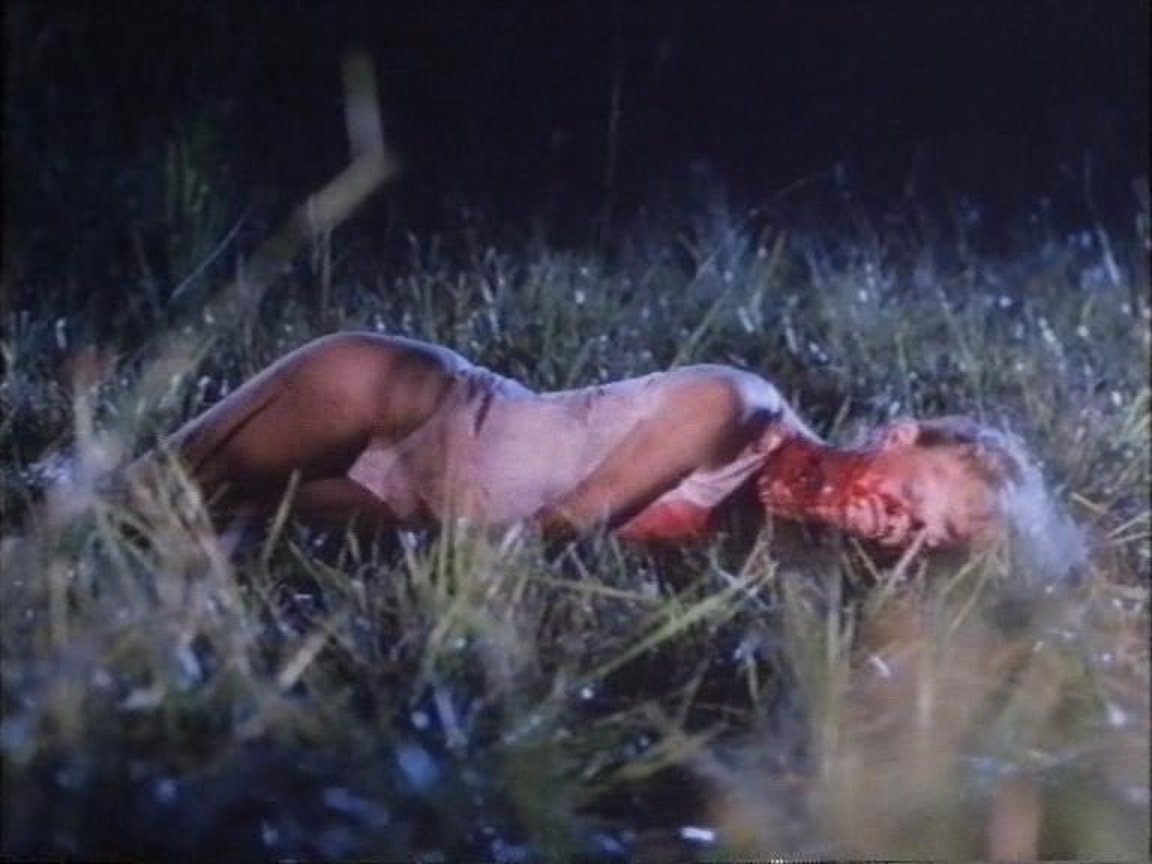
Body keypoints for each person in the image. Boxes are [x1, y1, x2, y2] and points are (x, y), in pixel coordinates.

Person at [136, 331, 1021, 550]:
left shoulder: (777, 541)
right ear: (897, 436)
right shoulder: (738, 406)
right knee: (127, 503)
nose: (896, 522)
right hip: (394, 401)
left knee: (167, 534)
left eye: (922, 533)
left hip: (401, 503)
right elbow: (563, 522)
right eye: (912, 495)